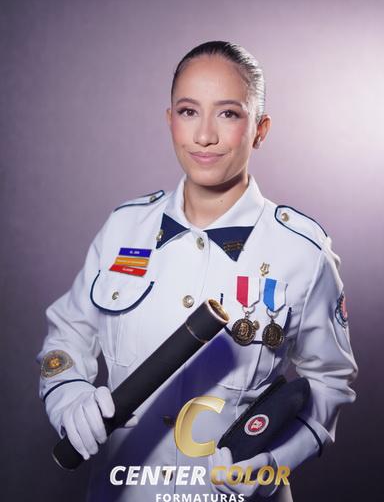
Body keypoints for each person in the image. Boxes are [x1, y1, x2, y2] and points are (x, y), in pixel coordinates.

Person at [37, 41, 358, 502]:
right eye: (189, 112)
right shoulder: (124, 227)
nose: (204, 135)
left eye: (228, 114)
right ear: (170, 120)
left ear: (260, 129)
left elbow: (330, 380)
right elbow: (66, 337)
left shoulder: (302, 251)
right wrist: (69, 395)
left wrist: (275, 462)